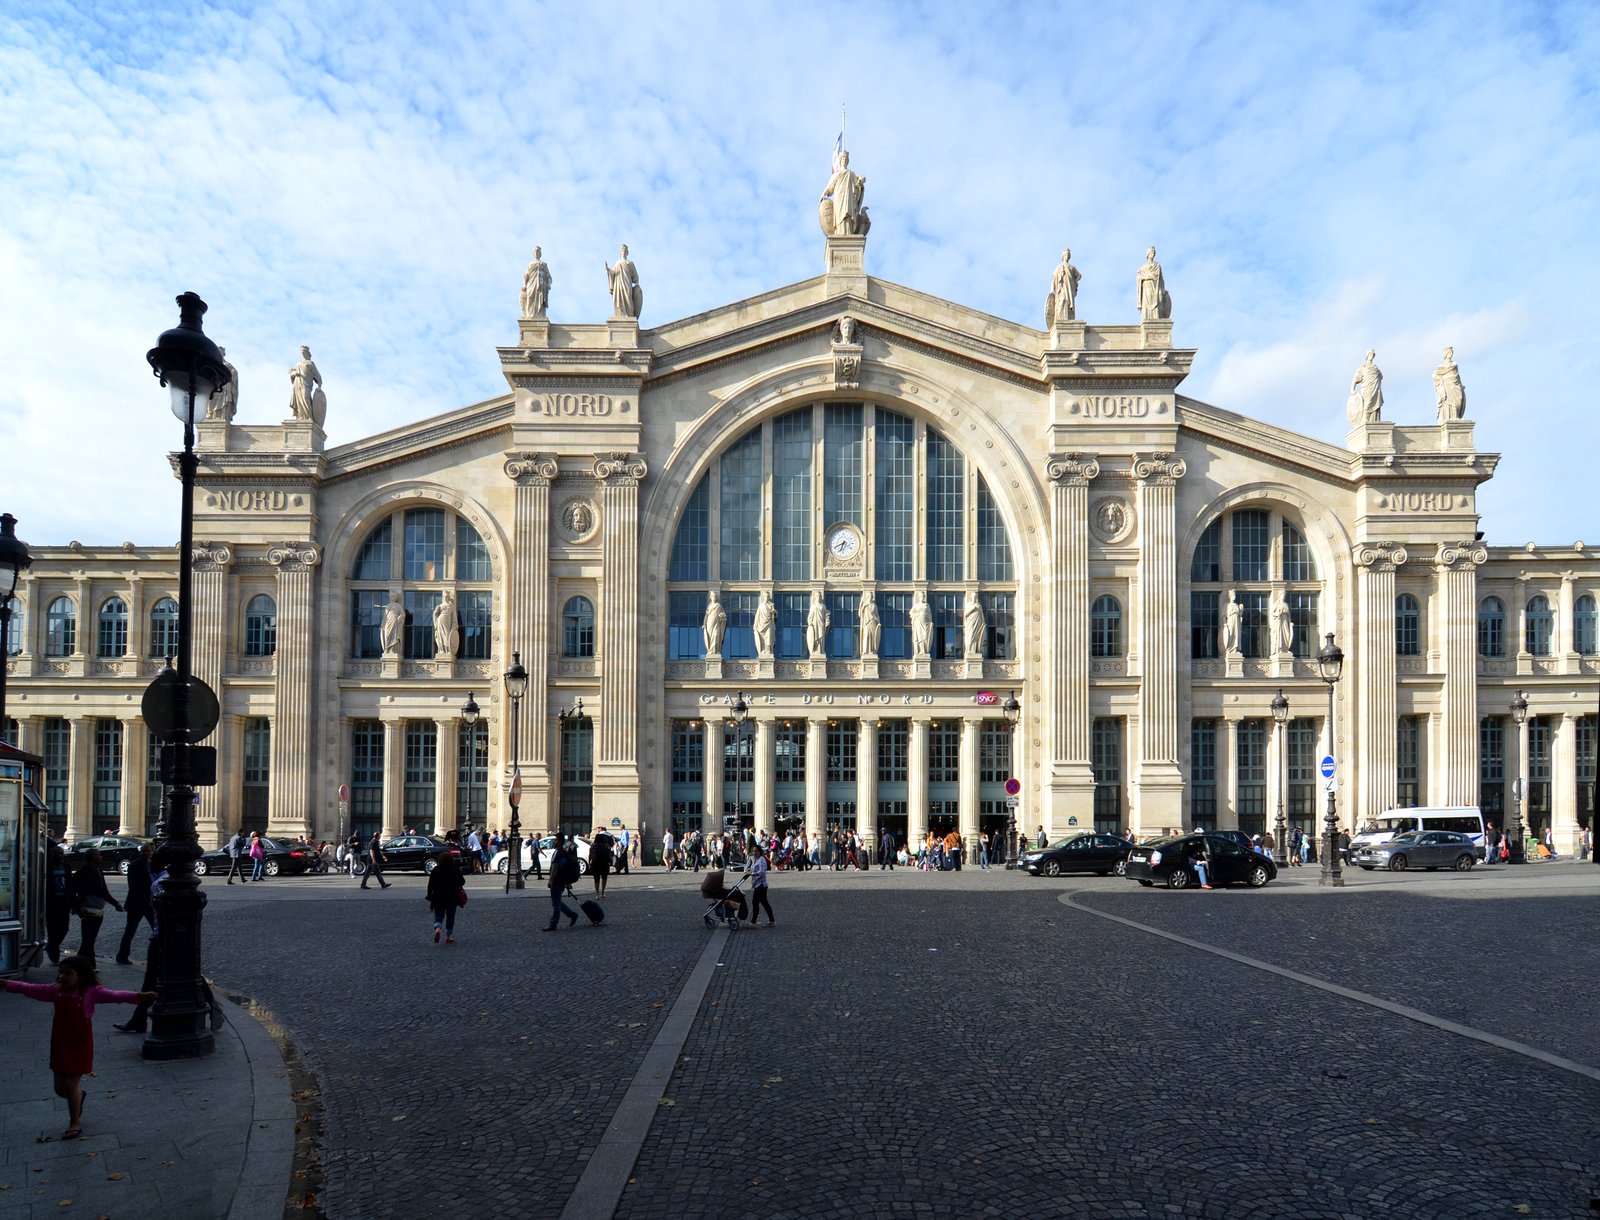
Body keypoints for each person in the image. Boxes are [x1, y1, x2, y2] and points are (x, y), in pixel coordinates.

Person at [4, 954, 151, 1141]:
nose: (61, 977)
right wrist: (6, 984)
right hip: (60, 1043)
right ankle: (78, 1097)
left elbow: (114, 995)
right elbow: (29, 988)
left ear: (81, 976)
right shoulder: (55, 991)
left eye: (67, 973)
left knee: (70, 1083)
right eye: (60, 973)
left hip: (80, 1045)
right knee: (59, 1089)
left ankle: (74, 1122)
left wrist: (138, 996)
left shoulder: (91, 992)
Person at [71, 851, 123, 962]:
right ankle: (89, 963)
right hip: (87, 909)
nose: (101, 857)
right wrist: (78, 907)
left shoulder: (98, 871)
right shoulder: (81, 873)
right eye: (98, 855)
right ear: (92, 858)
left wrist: (115, 904)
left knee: (90, 939)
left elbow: (104, 891)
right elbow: (72, 892)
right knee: (88, 938)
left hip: (98, 908)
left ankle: (82, 962)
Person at [115, 843, 154, 965]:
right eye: (143, 851)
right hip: (137, 903)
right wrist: (147, 899)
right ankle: (122, 955)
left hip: (148, 903)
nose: (145, 853)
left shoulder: (150, 865)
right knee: (130, 930)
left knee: (157, 929)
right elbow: (133, 886)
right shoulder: (134, 865)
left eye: (148, 851)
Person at [425, 849, 465, 943]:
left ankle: (438, 928)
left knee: (439, 914)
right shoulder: (454, 869)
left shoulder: (436, 870)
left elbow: (430, 884)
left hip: (438, 896)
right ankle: (448, 936)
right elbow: (462, 881)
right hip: (452, 896)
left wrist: (429, 894)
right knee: (450, 916)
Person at [544, 837, 582, 931]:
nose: (554, 842)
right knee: (557, 901)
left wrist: (550, 880)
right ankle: (573, 915)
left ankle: (553, 924)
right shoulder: (564, 852)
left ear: (560, 842)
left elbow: (554, 867)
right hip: (563, 879)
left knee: (556, 903)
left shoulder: (558, 853)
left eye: (556, 840)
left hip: (557, 880)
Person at [44, 844, 72, 964]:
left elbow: (70, 884)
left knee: (64, 928)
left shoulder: (66, 867)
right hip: (52, 902)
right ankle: (54, 955)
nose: (59, 856)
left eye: (61, 853)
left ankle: (51, 946)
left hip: (64, 901)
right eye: (56, 854)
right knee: (52, 929)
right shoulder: (47, 867)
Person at [605, 244, 643, 318]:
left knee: (628, 298)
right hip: (618, 284)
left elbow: (636, 277)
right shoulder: (617, 263)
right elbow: (613, 273)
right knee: (618, 300)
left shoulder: (630, 263)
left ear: (627, 252)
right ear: (620, 252)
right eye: (622, 249)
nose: (623, 251)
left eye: (625, 249)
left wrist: (637, 286)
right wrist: (608, 270)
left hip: (627, 283)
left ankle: (629, 315)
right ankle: (619, 314)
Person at [521, 246, 552, 318]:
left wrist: (549, 284)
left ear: (540, 253)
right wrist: (524, 285)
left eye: (538, 251)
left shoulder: (543, 264)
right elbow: (526, 276)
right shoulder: (530, 264)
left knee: (540, 299)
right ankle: (530, 315)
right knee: (530, 298)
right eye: (536, 251)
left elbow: (548, 276)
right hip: (531, 284)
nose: (537, 253)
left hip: (541, 285)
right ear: (533, 253)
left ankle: (540, 315)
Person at [748, 848, 775, 926]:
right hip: (757, 884)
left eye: (756, 851)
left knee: (755, 902)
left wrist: (752, 874)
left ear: (760, 852)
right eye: (753, 851)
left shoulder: (761, 860)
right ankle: (772, 921)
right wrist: (749, 871)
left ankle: (753, 922)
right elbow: (753, 868)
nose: (754, 852)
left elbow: (762, 872)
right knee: (764, 902)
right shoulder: (754, 860)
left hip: (761, 884)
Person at [590, 827, 615, 898]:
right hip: (604, 864)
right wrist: (610, 862)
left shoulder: (592, 846)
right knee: (604, 878)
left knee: (596, 879)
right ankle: (603, 892)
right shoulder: (605, 846)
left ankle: (597, 894)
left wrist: (590, 862)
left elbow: (590, 855)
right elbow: (608, 855)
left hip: (595, 864)